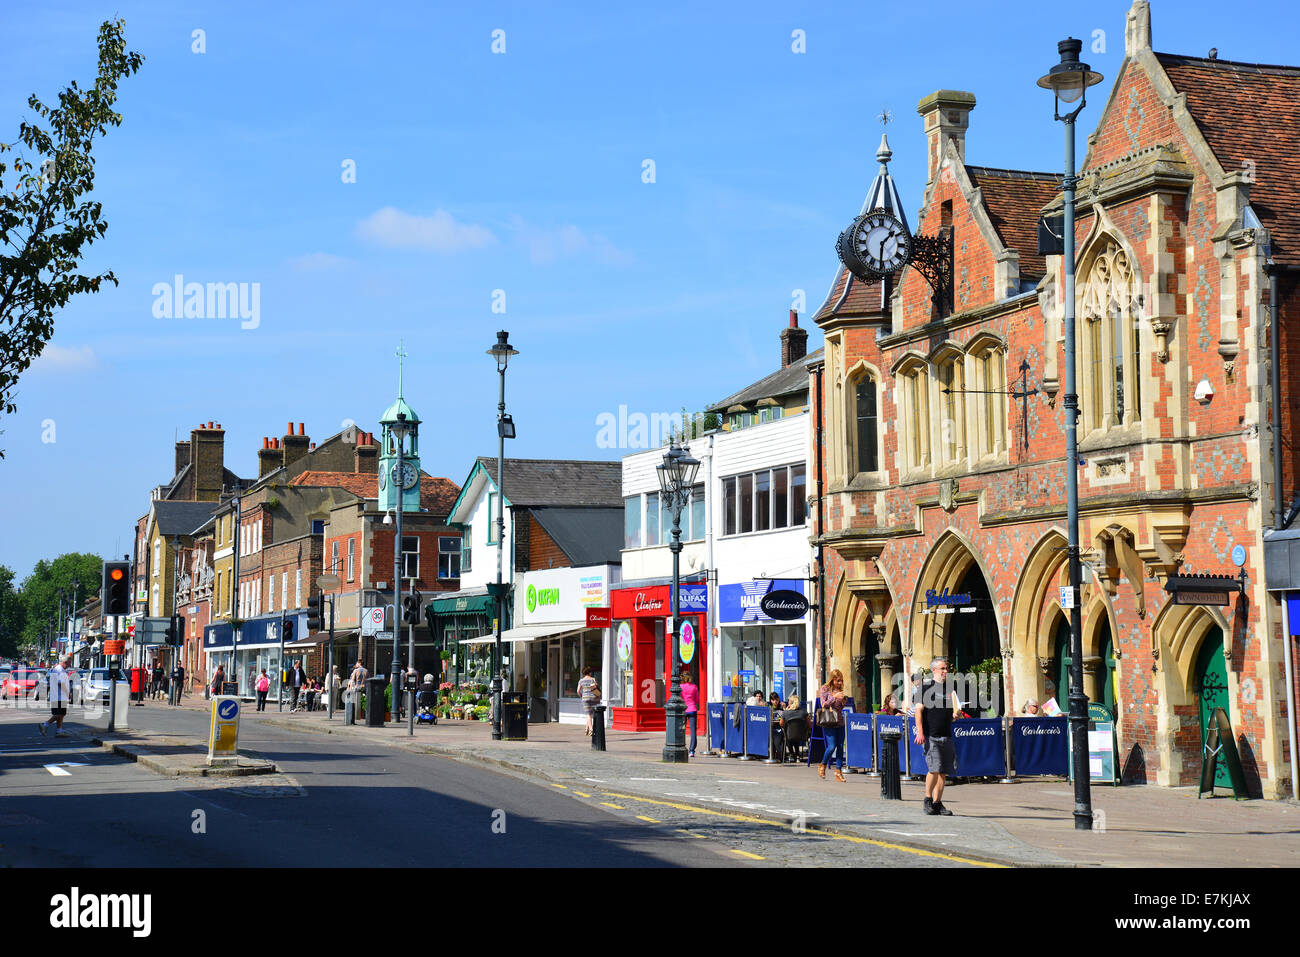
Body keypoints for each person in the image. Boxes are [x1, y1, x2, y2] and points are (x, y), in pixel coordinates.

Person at [914, 656, 957, 816]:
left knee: (944, 771)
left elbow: (950, 713)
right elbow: (918, 711)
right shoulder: (925, 688)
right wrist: (920, 732)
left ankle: (938, 803)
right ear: (934, 670)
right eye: (942, 669)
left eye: (946, 669)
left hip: (947, 735)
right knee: (934, 768)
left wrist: (955, 715)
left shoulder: (950, 689)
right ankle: (927, 799)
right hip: (931, 735)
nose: (946, 672)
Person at [817, 669, 848, 782]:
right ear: (832, 679)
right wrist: (834, 697)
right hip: (829, 721)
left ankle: (838, 772)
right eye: (838, 681)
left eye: (841, 681)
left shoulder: (840, 689)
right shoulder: (825, 689)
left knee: (840, 747)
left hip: (839, 721)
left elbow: (839, 708)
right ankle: (822, 764)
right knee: (832, 746)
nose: (840, 683)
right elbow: (823, 704)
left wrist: (843, 701)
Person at [38, 657, 73, 738]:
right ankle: (45, 724)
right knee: (59, 714)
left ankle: (59, 731)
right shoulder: (59, 670)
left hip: (58, 696)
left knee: (61, 714)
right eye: (69, 663)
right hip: (59, 696)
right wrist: (68, 693)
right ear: (65, 662)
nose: (70, 665)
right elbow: (61, 683)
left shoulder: (58, 669)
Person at [577, 666, 601, 736]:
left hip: (585, 699)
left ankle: (590, 729)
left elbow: (578, 691)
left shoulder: (581, 681)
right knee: (590, 714)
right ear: (590, 672)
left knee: (588, 714)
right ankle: (587, 729)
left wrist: (582, 696)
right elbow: (596, 688)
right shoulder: (592, 679)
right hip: (594, 698)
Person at [680, 669, 699, 757]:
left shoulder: (680, 687)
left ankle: (681, 746)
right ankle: (692, 750)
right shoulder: (694, 687)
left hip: (683, 710)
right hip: (692, 709)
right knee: (693, 731)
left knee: (681, 730)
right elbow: (697, 700)